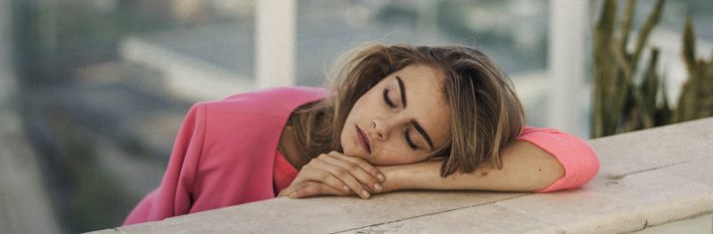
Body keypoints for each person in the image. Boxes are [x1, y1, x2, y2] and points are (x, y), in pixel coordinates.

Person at [124, 43, 600, 225]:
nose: (379, 127)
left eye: (411, 139)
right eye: (391, 98)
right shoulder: (224, 127)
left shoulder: (397, 169)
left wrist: (396, 178)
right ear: (377, 77)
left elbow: (573, 159)